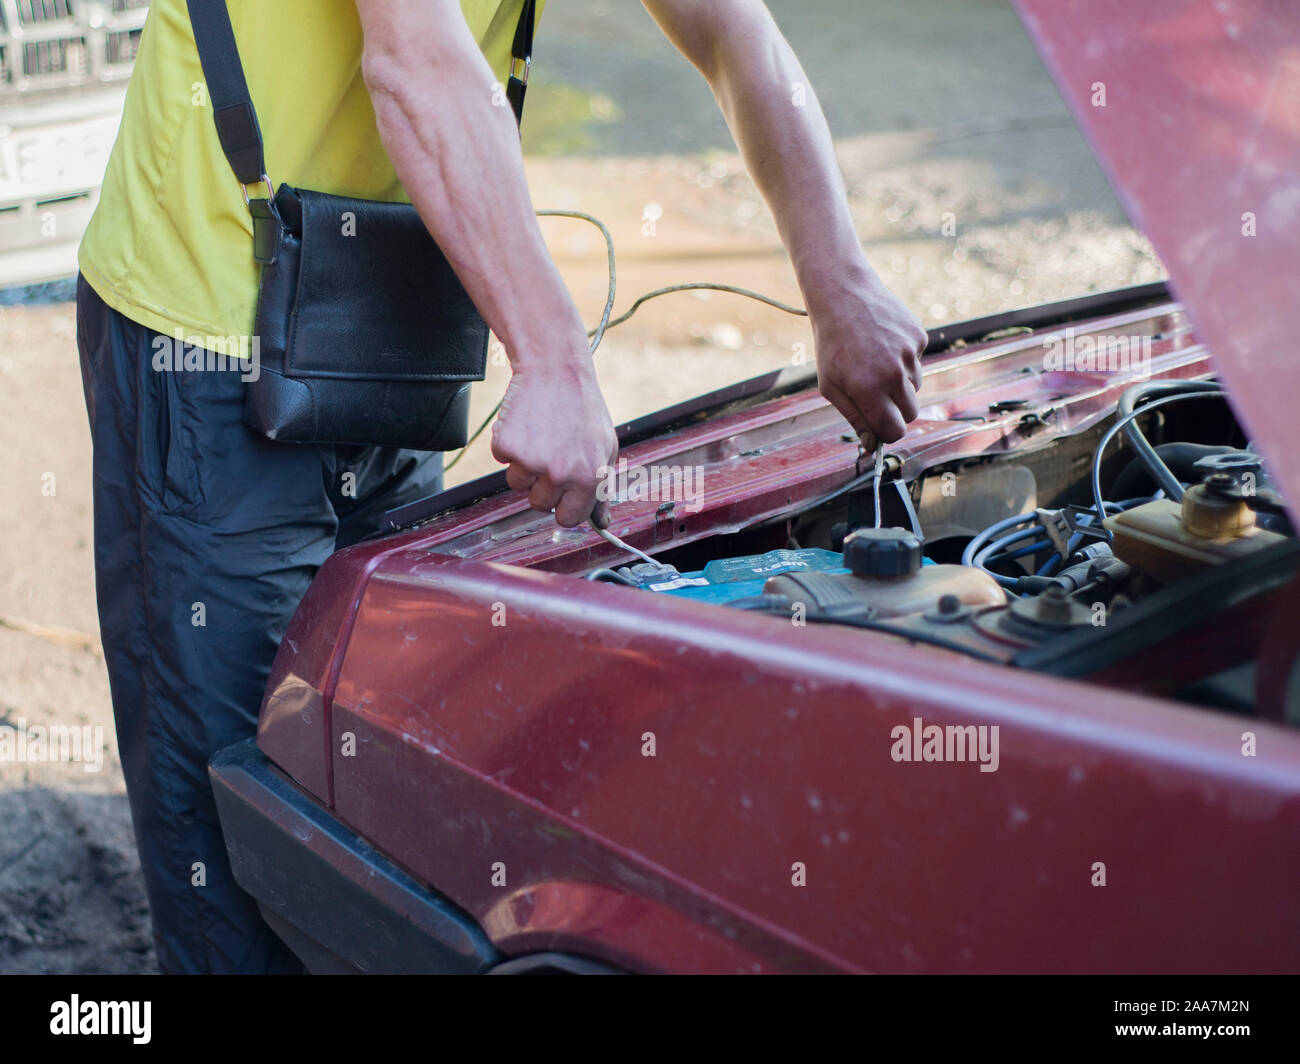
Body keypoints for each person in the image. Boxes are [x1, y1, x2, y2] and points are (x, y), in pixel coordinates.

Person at [76, 0, 925, 973]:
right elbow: (415, 62)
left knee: (361, 755)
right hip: (209, 314)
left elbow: (733, 31)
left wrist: (838, 279)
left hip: (379, 300)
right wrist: (554, 358)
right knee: (229, 805)